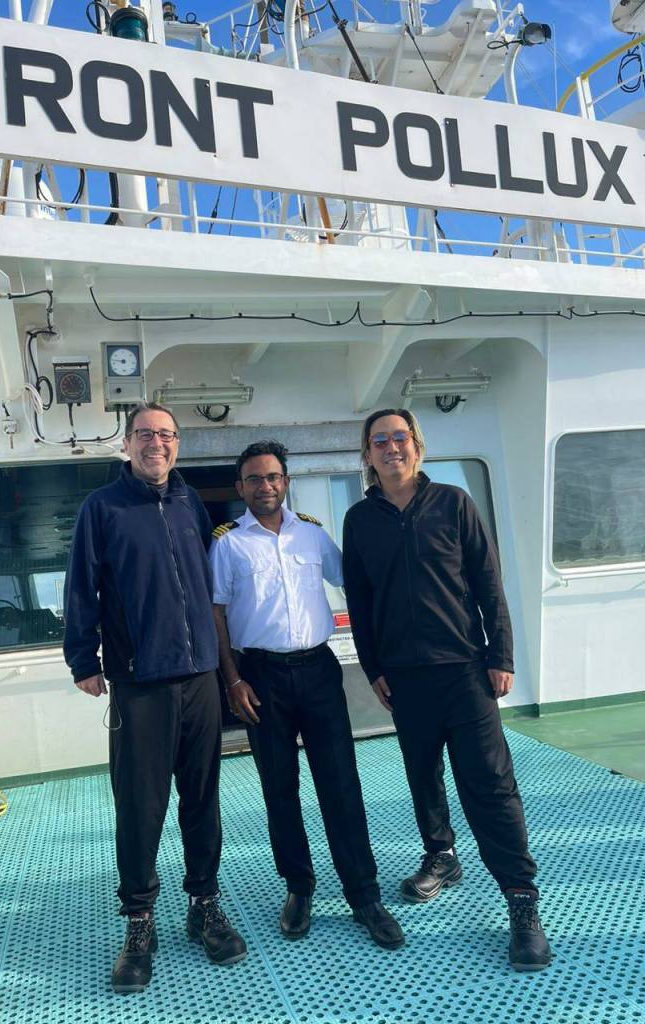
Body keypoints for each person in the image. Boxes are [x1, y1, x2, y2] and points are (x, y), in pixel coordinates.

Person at [342, 408, 551, 973]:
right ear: (367, 455)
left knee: (489, 782)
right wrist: (374, 666)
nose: (391, 448)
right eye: (379, 441)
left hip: (464, 668)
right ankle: (441, 855)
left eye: (400, 438)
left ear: (417, 446)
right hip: (404, 677)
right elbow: (360, 602)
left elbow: (488, 580)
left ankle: (521, 899)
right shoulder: (360, 521)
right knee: (423, 774)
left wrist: (500, 655)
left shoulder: (454, 503)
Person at [63, 401, 247, 994]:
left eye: (166, 435)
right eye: (145, 435)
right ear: (128, 443)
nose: (156, 444)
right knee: (140, 809)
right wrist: (82, 660)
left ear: (177, 444)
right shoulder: (103, 508)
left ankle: (203, 906)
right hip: (140, 684)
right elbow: (81, 588)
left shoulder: (190, 502)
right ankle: (140, 921)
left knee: (202, 800)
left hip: (199, 679)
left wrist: (225, 669)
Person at [210, 440, 404, 949]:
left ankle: (364, 895)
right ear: (241, 488)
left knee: (341, 785)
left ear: (285, 482)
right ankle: (299, 887)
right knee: (279, 790)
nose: (265, 486)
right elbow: (217, 615)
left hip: (319, 671)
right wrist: (232, 680)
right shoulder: (228, 544)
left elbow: (356, 582)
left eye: (273, 477)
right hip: (260, 675)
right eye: (254, 479)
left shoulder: (314, 536)